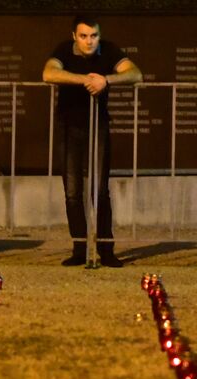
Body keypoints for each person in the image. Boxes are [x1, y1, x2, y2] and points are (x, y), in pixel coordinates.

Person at [42, 14, 141, 268]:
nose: (89, 41)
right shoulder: (63, 50)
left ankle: (106, 251)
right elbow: (49, 73)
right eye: (84, 36)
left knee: (99, 190)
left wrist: (106, 80)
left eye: (94, 35)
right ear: (74, 36)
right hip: (68, 127)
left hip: (98, 125)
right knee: (73, 191)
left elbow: (135, 74)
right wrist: (85, 79)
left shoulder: (108, 50)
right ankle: (80, 248)